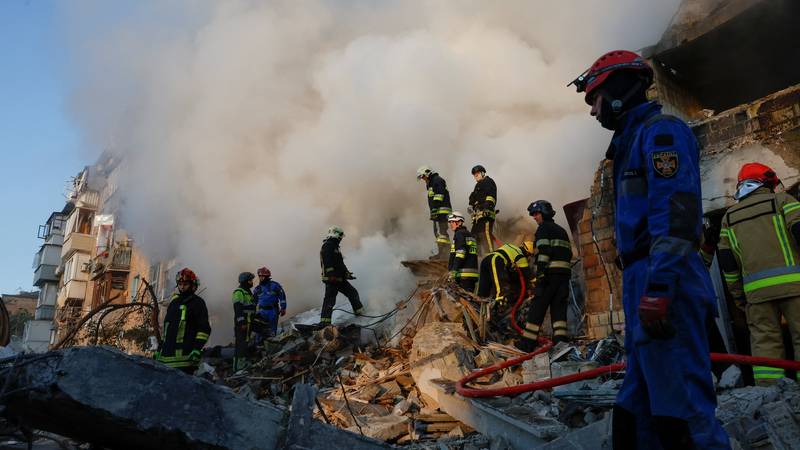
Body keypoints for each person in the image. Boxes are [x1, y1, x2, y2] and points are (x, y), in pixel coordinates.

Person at [571, 49, 729, 448]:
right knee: (638, 406)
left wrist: (659, 288)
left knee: (683, 406)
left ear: (621, 89)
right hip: (641, 278)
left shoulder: (662, 134)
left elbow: (674, 220)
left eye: (596, 98)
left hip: (664, 278)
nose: (593, 112)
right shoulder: (630, 143)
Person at [718, 162, 800, 385]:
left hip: (756, 296)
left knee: (765, 349)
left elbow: (728, 264)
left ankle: (770, 400)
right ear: (767, 182)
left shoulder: (728, 218)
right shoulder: (783, 201)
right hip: (796, 288)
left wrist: (739, 298)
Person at [518, 200, 573, 351]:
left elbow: (543, 252)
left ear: (544, 213)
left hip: (549, 275)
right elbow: (569, 253)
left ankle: (527, 344)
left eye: (536, 214)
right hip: (563, 277)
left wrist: (540, 273)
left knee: (537, 307)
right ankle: (561, 343)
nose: (534, 217)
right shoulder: (562, 230)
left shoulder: (543, 229)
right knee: (559, 309)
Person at [155, 268, 211, 375]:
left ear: (193, 285)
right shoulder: (174, 303)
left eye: (185, 284)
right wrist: (159, 349)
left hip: (185, 361)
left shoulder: (197, 303)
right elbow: (167, 329)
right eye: (180, 284)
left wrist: (197, 348)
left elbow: (203, 329)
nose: (182, 287)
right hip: (165, 360)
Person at [320, 226, 364, 326]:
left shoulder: (335, 247)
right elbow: (327, 262)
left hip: (339, 279)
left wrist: (347, 274)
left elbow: (340, 264)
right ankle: (324, 323)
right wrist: (331, 275)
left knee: (352, 292)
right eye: (340, 236)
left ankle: (360, 314)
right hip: (332, 279)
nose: (341, 239)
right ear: (335, 234)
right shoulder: (328, 246)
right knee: (330, 300)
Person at [477, 242, 534, 317]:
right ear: (527, 252)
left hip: (486, 260)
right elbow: (527, 273)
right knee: (501, 286)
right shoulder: (520, 256)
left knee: (484, 285)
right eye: (529, 255)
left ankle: (479, 305)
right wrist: (536, 281)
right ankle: (499, 307)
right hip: (495, 260)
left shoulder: (512, 246)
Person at [417, 166, 453, 259]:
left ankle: (444, 254)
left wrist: (434, 209)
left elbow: (439, 196)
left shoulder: (437, 180)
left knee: (440, 233)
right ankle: (446, 253)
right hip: (439, 211)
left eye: (423, 176)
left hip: (440, 211)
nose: (423, 179)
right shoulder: (431, 182)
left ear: (427, 173)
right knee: (441, 232)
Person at [468, 165, 498, 256]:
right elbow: (472, 197)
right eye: (474, 175)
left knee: (485, 235)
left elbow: (491, 197)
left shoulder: (488, 182)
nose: (475, 176)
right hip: (478, 217)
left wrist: (487, 207)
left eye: (477, 173)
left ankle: (490, 256)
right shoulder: (477, 185)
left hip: (486, 215)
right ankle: (476, 257)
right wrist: (471, 205)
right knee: (473, 236)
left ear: (482, 173)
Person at [447, 211, 479, 292]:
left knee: (461, 302)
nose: (451, 224)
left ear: (460, 222)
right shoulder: (470, 235)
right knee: (470, 301)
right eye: (450, 222)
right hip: (472, 275)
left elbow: (461, 252)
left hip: (462, 275)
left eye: (453, 222)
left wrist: (454, 270)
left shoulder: (459, 234)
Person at [252, 266, 287, 338]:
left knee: (272, 330)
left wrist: (283, 308)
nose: (261, 278)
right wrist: (252, 312)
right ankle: (259, 346)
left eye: (263, 276)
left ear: (267, 276)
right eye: (260, 276)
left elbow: (282, 296)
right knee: (260, 329)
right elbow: (254, 301)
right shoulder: (257, 289)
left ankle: (271, 346)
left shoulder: (275, 286)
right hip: (261, 311)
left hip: (273, 311)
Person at [232, 271, 256, 371]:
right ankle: (237, 368)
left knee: (245, 343)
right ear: (245, 281)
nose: (252, 282)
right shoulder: (239, 292)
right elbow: (238, 309)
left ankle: (243, 364)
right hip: (243, 324)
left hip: (249, 323)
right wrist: (242, 322)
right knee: (241, 344)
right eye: (250, 280)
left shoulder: (248, 292)